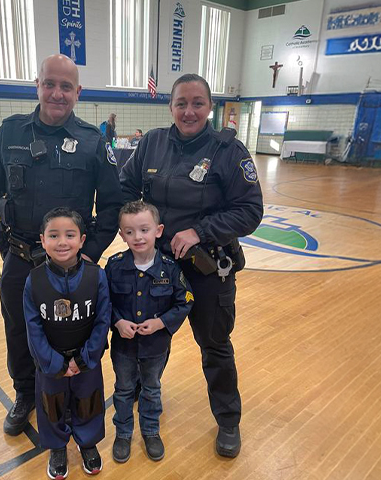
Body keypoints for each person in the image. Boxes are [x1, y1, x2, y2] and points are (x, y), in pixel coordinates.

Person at [0, 54, 122, 437]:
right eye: (49, 84)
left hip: (74, 264)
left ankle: (72, 396)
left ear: (78, 92)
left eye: (66, 87)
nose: (57, 93)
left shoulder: (92, 141)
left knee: (74, 331)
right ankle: (25, 395)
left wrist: (90, 253)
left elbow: (110, 205)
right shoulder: (11, 132)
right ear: (36, 85)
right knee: (20, 331)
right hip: (20, 258)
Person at [119, 73, 263, 458]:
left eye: (197, 103)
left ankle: (228, 420)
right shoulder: (151, 143)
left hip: (207, 269)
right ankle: (145, 392)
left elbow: (251, 211)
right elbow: (126, 187)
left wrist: (200, 231)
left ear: (210, 107)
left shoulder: (228, 151)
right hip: (158, 269)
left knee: (215, 346)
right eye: (181, 102)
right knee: (151, 338)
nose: (189, 111)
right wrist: (134, 227)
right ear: (170, 106)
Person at [23, 207, 111, 478]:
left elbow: (103, 319)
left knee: (89, 401)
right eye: (54, 235)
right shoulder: (34, 280)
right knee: (52, 404)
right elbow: (33, 326)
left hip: (87, 359)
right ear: (43, 240)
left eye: (69, 235)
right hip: (51, 362)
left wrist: (85, 357)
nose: (62, 242)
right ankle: (57, 446)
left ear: (82, 240)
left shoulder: (97, 276)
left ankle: (88, 442)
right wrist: (53, 362)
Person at [105, 201, 193, 463]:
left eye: (144, 230)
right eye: (129, 232)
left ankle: (151, 431)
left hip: (156, 347)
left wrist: (161, 323)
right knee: (122, 390)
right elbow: (103, 302)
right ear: (121, 235)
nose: (137, 237)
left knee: (152, 389)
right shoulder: (115, 265)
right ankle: (123, 433)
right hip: (123, 347)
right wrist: (117, 322)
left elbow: (185, 300)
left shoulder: (170, 267)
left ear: (158, 230)